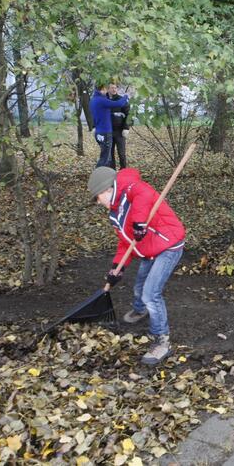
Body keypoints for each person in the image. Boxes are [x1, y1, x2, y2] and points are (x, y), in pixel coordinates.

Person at [87, 166, 185, 365]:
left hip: (169, 245)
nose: (98, 203)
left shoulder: (129, 188)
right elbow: (125, 242)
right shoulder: (115, 212)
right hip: (149, 249)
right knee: (139, 286)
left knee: (151, 293)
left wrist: (139, 222)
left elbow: (143, 193)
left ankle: (161, 341)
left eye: (98, 197)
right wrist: (117, 268)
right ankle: (140, 310)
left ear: (106, 190)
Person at [89, 84, 128, 168]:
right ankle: (101, 175)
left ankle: (117, 173)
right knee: (106, 158)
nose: (107, 91)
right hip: (106, 132)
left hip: (107, 132)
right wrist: (126, 95)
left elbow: (127, 114)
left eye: (115, 87)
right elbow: (119, 104)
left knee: (112, 155)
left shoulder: (93, 100)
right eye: (108, 88)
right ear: (103, 89)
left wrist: (125, 127)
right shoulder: (102, 100)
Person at [108, 83, 131, 169]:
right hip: (108, 131)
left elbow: (129, 114)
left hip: (120, 132)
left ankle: (123, 170)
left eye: (115, 88)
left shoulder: (121, 100)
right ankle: (111, 172)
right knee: (110, 154)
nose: (114, 90)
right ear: (108, 89)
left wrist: (126, 128)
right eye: (112, 88)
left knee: (121, 153)